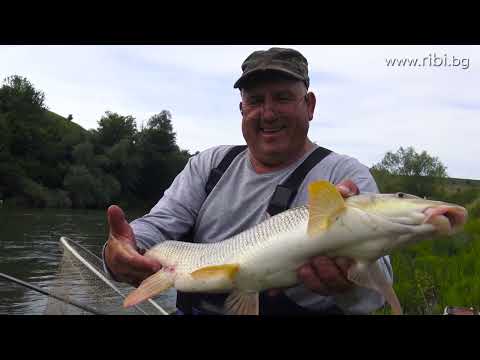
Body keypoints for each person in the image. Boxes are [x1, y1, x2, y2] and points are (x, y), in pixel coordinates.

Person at [103, 47, 393, 315]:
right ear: (242, 109)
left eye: (282, 97)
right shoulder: (210, 163)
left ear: (309, 105)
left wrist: (350, 284)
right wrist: (122, 249)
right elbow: (158, 224)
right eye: (255, 101)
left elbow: (378, 290)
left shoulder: (345, 175)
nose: (268, 113)